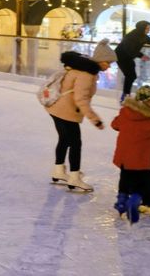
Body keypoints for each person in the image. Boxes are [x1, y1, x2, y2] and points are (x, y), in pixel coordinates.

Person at [45, 40, 115, 192]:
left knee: (64, 139)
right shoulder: (87, 73)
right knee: (75, 143)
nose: (109, 66)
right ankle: (74, 177)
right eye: (108, 62)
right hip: (66, 111)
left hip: (56, 108)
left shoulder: (84, 68)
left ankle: (58, 170)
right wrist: (95, 119)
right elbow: (81, 99)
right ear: (101, 60)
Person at [111, 85, 150, 223]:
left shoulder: (126, 111)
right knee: (142, 183)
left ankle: (121, 201)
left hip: (124, 155)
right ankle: (134, 200)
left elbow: (115, 125)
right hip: (142, 157)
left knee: (125, 178)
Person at [115, 20, 150, 102]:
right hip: (121, 56)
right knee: (130, 76)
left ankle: (126, 95)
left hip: (128, 57)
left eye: (149, 28)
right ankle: (125, 96)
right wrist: (142, 56)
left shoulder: (142, 35)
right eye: (147, 28)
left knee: (131, 76)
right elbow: (129, 50)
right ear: (142, 28)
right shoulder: (131, 36)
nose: (149, 30)